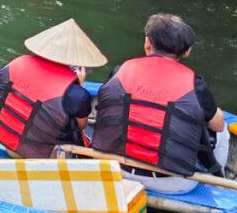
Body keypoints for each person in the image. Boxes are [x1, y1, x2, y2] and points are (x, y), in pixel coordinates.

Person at [92, 14, 228, 194]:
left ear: (147, 43)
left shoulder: (121, 70)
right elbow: (217, 126)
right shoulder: (196, 84)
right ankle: (216, 186)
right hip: (171, 184)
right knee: (223, 128)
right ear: (187, 51)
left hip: (115, 170)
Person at [0, 19, 107, 158]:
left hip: (7, 144)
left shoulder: (15, 64)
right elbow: (81, 126)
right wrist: (79, 86)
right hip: (40, 155)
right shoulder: (76, 94)